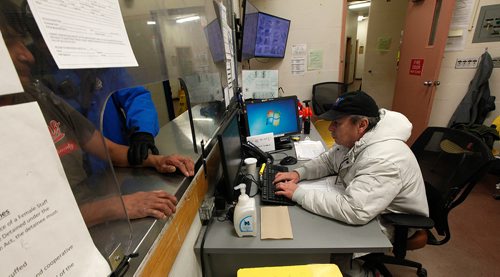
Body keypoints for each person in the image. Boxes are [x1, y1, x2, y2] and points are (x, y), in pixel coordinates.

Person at [0, 1, 195, 226]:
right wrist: (116, 206)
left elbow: (112, 137)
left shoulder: (41, 95)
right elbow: (31, 220)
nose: (28, 56)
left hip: (106, 176)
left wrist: (149, 151)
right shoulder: (39, 77)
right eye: (10, 42)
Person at [273, 91, 429, 275]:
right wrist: (299, 173)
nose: (331, 128)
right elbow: (329, 160)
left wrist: (298, 193)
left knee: (330, 247)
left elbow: (355, 211)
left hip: (391, 219)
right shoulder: (358, 138)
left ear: (362, 125)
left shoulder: (383, 159)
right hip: (367, 201)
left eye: (337, 123)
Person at [21, 1, 159, 168]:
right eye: (39, 37)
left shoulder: (99, 56)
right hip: (72, 171)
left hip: (119, 159)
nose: (46, 43)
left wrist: (143, 131)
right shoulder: (32, 67)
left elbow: (134, 95)